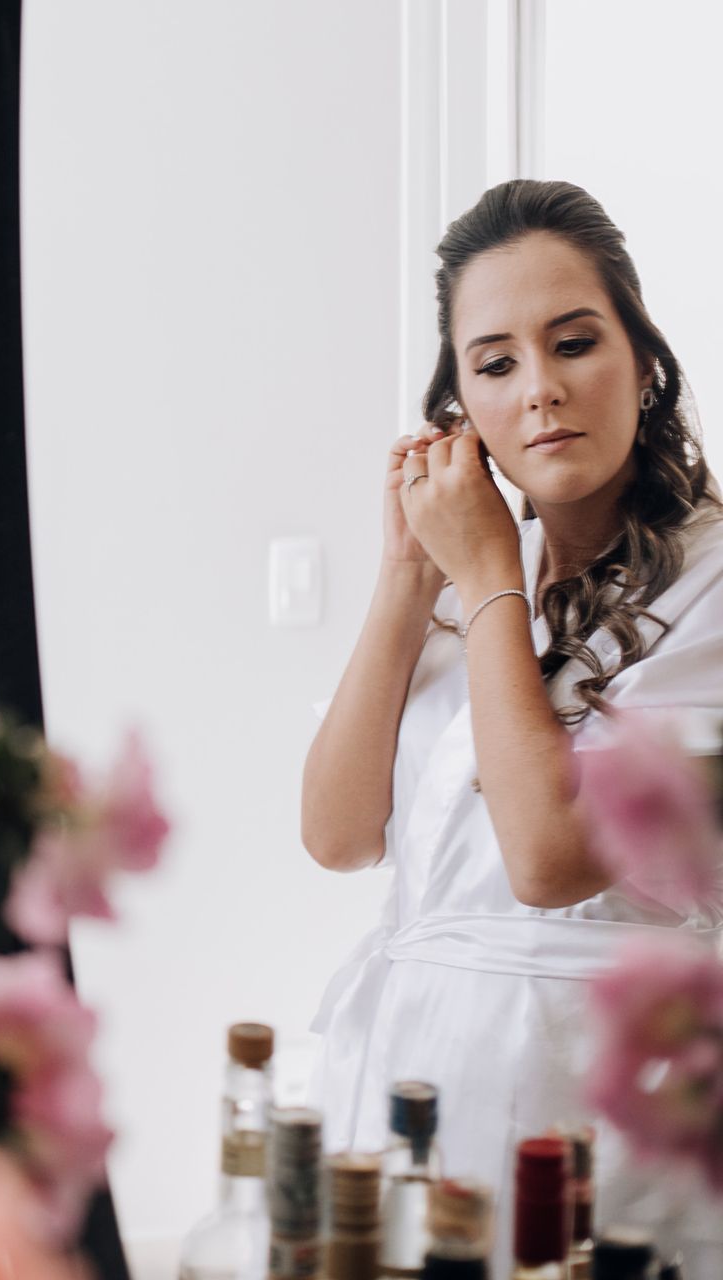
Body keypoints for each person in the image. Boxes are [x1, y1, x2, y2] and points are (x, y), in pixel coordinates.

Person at [302, 179, 723, 1270]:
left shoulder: (714, 583)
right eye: (494, 363)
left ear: (646, 362)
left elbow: (548, 858)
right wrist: (407, 577)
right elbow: (339, 833)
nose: (540, 391)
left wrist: (486, 573)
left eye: (575, 342)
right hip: (410, 1089)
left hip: (609, 1109)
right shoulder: (469, 582)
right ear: (460, 409)